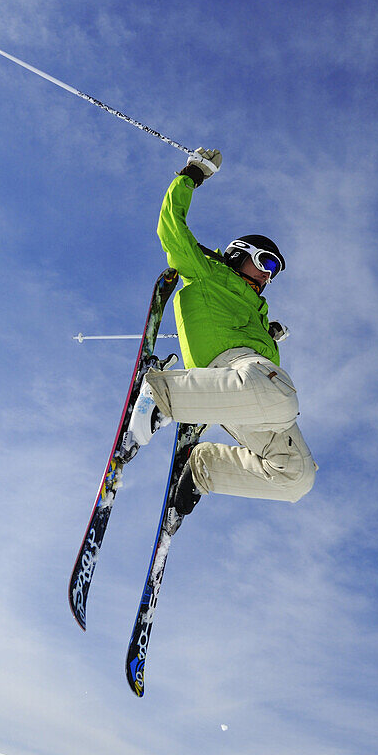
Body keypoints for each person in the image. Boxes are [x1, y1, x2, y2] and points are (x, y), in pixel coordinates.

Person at [127, 147, 317, 517]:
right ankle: (160, 393)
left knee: (298, 476)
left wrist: (267, 334)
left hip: (244, 399)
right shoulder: (209, 271)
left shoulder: (257, 309)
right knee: (281, 393)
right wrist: (191, 176)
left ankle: (204, 469)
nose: (267, 275)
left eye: (274, 271)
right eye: (265, 262)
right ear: (237, 253)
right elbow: (171, 228)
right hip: (236, 375)